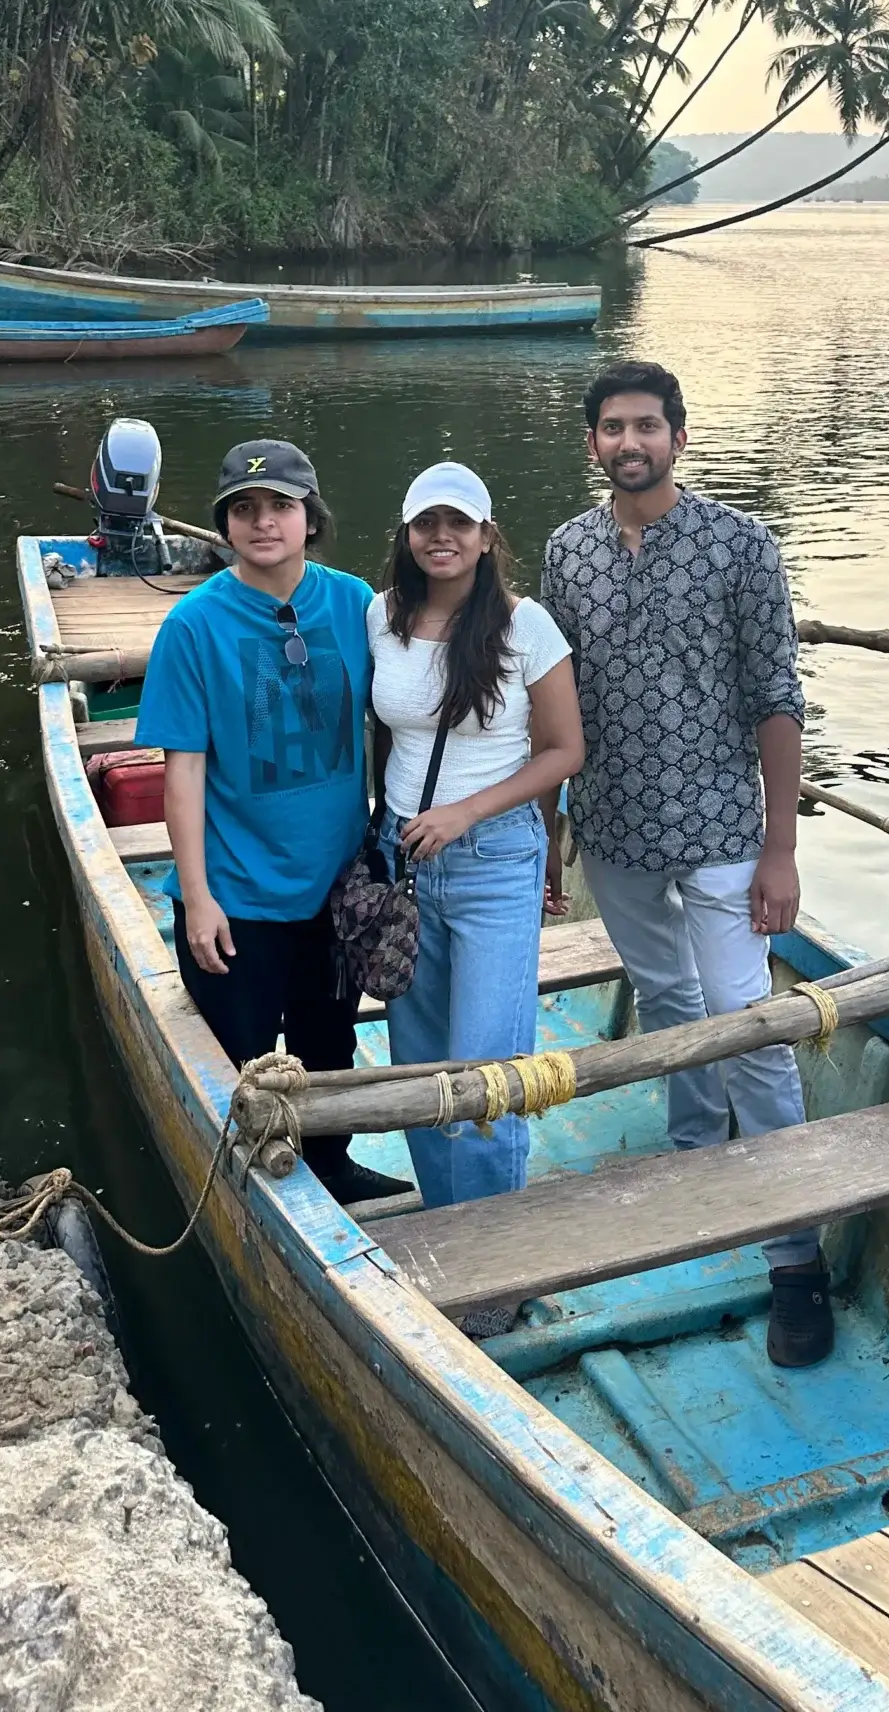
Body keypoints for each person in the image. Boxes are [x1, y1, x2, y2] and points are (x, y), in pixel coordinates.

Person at [539, 361, 833, 1366]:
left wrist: (781, 845)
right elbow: (552, 702)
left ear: (679, 437)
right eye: (613, 428)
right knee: (666, 997)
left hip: (720, 830)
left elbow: (778, 699)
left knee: (751, 1023)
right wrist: (553, 830)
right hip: (613, 827)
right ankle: (695, 1157)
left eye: (648, 427)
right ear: (593, 444)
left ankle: (796, 1256)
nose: (631, 442)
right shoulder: (568, 550)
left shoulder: (739, 544)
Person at [134, 436, 406, 1208]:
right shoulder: (194, 626)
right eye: (244, 509)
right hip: (238, 894)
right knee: (244, 1063)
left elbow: (405, 710)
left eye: (280, 506)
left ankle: (331, 1164)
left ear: (308, 518)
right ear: (224, 525)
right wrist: (198, 897)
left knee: (328, 1045)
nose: (263, 523)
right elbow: (180, 772)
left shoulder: (354, 602)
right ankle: (250, 1191)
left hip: (334, 886)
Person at [369, 463, 583, 1257]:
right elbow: (386, 733)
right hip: (406, 863)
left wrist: (467, 811)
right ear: (407, 534)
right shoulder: (380, 616)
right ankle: (447, 1228)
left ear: (488, 537)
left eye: (460, 523)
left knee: (488, 1075)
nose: (442, 537)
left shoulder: (528, 629)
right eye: (427, 523)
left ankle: (496, 1258)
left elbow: (565, 750)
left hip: (494, 860)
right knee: (421, 1070)